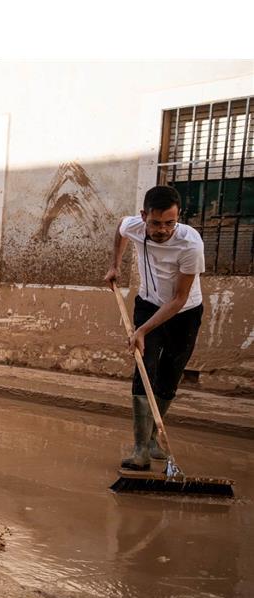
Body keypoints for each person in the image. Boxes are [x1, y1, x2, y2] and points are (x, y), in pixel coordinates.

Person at [103, 185, 204, 471]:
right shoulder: (133, 225)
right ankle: (140, 451)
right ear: (144, 216)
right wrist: (115, 265)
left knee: (170, 375)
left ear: (178, 217)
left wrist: (142, 331)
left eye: (170, 223)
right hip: (148, 303)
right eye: (156, 223)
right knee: (144, 368)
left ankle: (152, 440)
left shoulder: (191, 245)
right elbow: (120, 229)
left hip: (184, 313)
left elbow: (179, 298)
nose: (162, 230)